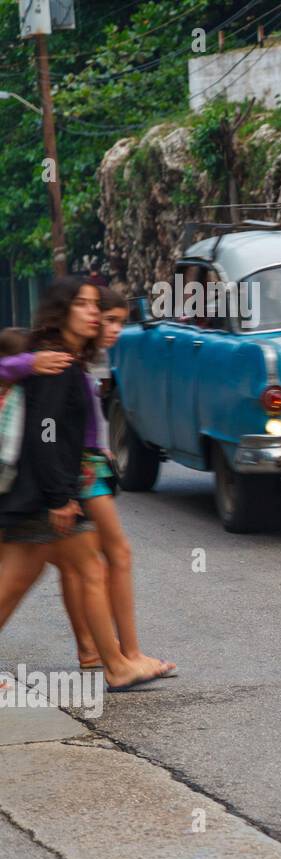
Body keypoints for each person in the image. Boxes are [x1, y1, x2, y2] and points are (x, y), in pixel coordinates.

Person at [0, 277, 168, 692]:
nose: (94, 313)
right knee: (90, 568)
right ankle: (114, 664)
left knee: (22, 578)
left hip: (37, 492)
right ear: (62, 310)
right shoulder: (58, 363)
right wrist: (62, 496)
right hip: (44, 494)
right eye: (85, 305)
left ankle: (109, 661)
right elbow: (47, 431)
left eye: (97, 306)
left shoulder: (62, 360)